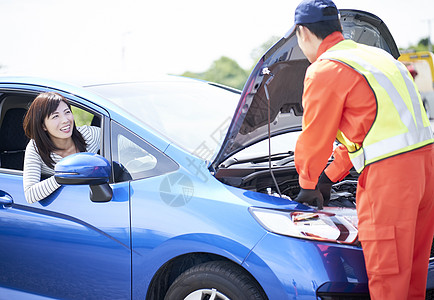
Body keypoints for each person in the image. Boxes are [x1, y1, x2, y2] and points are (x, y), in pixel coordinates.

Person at [290, 0, 434, 299]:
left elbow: (315, 137)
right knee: (412, 275)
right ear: (338, 27)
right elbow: (372, 130)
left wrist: (308, 184)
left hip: (390, 179)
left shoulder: (326, 69)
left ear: (302, 32)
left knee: (388, 273)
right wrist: (329, 177)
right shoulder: (378, 58)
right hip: (426, 169)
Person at [23, 92, 100, 204]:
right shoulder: (36, 148)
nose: (65, 120)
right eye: (55, 116)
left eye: (67, 112)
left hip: (96, 201)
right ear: (43, 125)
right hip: (65, 207)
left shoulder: (89, 135)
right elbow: (30, 194)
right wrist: (63, 175)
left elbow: (127, 139)